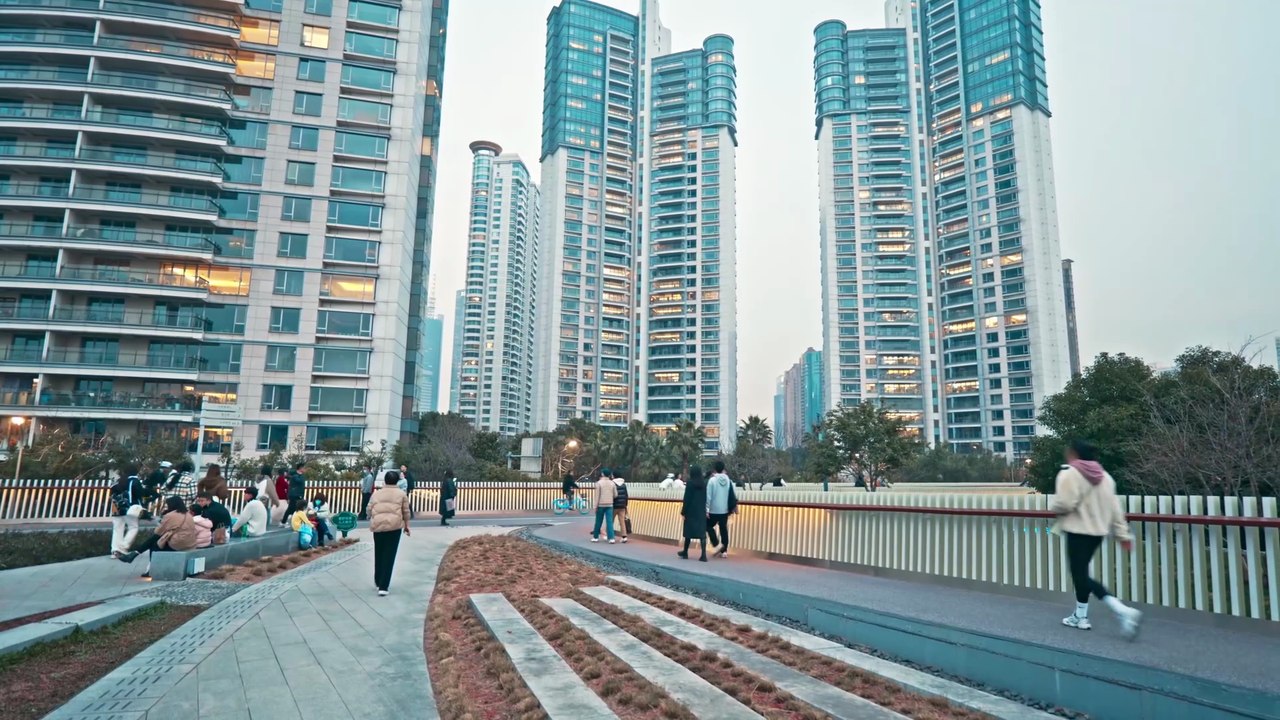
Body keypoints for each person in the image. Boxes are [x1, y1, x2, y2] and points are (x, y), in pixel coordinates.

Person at [1051, 439, 1142, 638]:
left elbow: (1065, 504)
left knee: (1080, 575)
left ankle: (1122, 611)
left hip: (1077, 531)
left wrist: (1054, 507)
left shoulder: (1069, 474)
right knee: (1081, 573)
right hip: (1098, 533)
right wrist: (1123, 535)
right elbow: (1116, 510)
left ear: (1074, 454)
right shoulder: (1105, 477)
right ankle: (1080, 616)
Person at [117, 496, 197, 577]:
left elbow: (158, 532)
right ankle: (134, 554)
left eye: (168, 504)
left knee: (154, 544)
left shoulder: (170, 515)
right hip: (190, 543)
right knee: (157, 540)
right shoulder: (188, 514)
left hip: (177, 544)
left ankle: (147, 566)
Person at [368, 469, 410, 596]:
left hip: (378, 526)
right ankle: (384, 586)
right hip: (394, 527)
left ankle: (377, 580)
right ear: (397, 480)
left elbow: (369, 510)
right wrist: (406, 525)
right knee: (389, 555)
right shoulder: (401, 494)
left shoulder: (376, 494)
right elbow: (406, 511)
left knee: (379, 553)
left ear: (385, 480)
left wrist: (374, 516)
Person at [109, 467, 146, 557]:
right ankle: (123, 547)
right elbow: (139, 494)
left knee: (117, 529)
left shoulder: (116, 482)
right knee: (133, 527)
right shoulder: (134, 481)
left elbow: (111, 494)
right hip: (130, 508)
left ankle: (115, 551)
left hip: (116, 509)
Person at [678, 465, 709, 561]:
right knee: (702, 533)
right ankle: (703, 555)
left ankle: (685, 552)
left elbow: (687, 498)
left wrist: (683, 511)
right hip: (701, 510)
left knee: (688, 531)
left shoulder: (690, 483)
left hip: (691, 511)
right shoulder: (704, 484)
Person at [706, 460, 734, 558]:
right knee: (723, 529)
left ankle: (716, 544)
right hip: (724, 510)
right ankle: (724, 551)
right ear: (723, 468)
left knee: (707, 526)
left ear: (715, 469)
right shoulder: (728, 480)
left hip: (714, 509)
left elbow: (708, 496)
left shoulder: (712, 480)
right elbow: (732, 494)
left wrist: (707, 509)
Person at [590, 468, 617, 544]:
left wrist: (595, 506)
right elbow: (615, 495)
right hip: (610, 504)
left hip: (601, 505)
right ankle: (611, 538)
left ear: (602, 474)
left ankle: (595, 537)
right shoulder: (612, 483)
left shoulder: (599, 483)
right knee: (609, 522)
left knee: (598, 521)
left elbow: (597, 496)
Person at [612, 470, 629, 543]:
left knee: (610, 521)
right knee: (622, 521)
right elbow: (626, 495)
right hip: (622, 505)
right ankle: (624, 537)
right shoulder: (624, 484)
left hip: (614, 505)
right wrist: (625, 505)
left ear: (614, 475)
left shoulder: (612, 484)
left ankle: (609, 535)